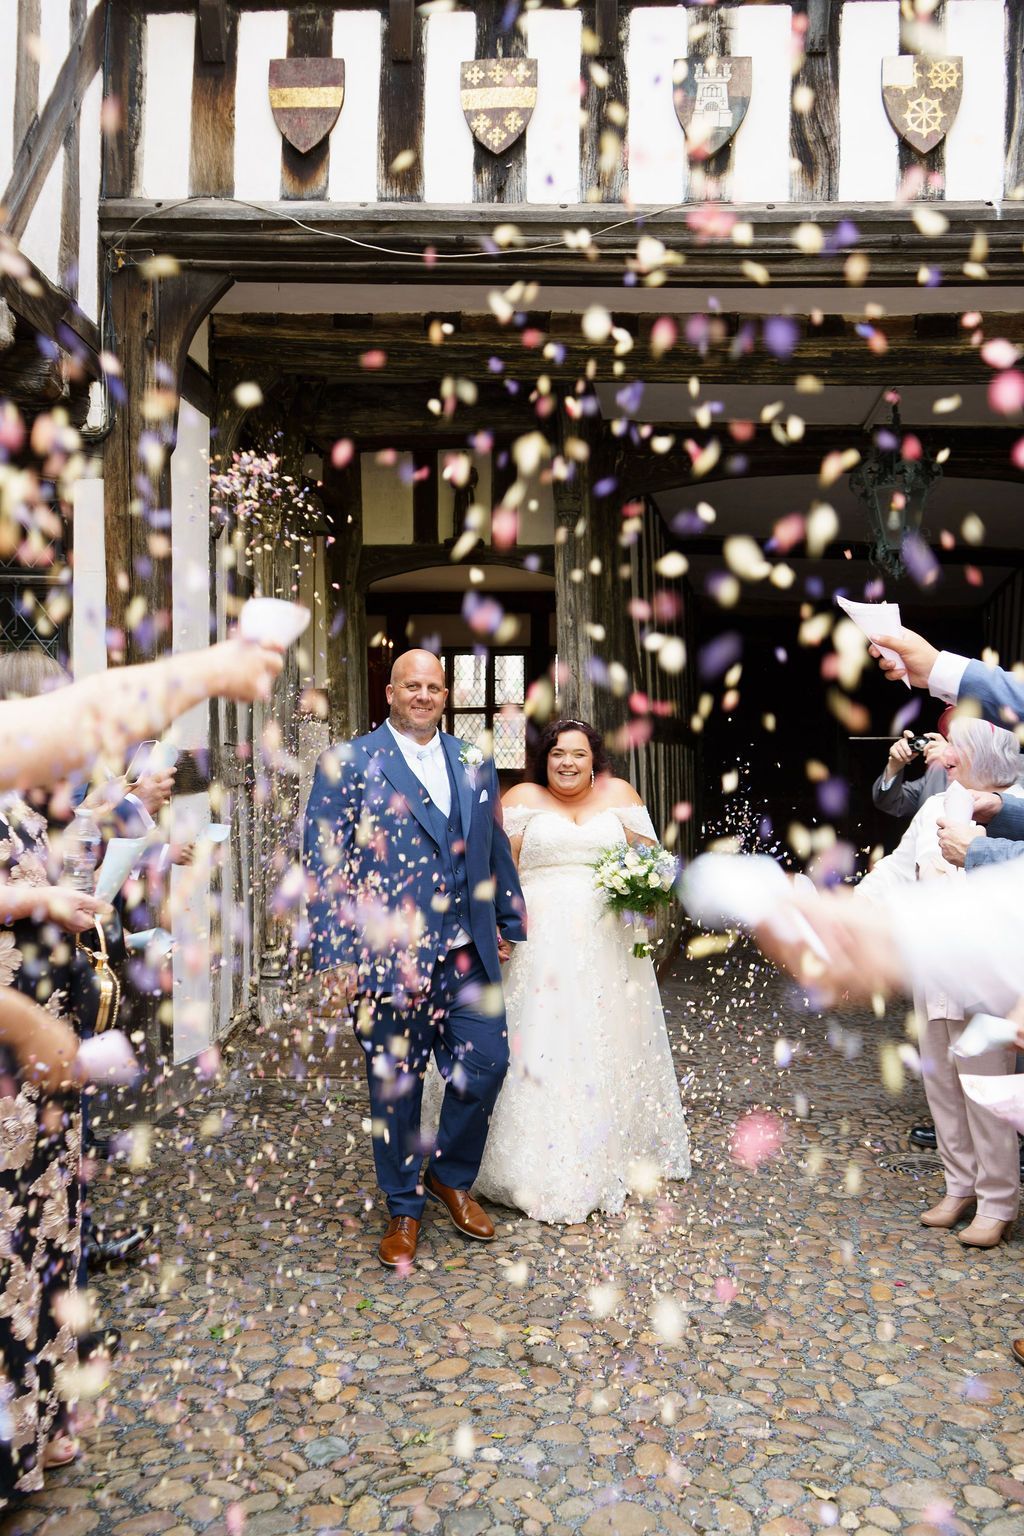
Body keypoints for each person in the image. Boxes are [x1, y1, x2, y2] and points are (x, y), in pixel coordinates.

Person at [0, 634, 283, 1510]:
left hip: (41, 1066)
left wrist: (43, 896)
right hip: (16, 1056)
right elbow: (89, 719)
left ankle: (32, 1433)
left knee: (41, 1244)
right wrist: (206, 670)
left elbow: (60, 851)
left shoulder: (16, 803)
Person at [303, 649, 526, 1269]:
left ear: (445, 693)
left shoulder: (474, 761)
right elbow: (324, 866)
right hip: (385, 956)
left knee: (488, 1062)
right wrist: (335, 953)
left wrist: (505, 920)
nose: (423, 695)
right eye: (412, 686)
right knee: (395, 1087)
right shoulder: (348, 762)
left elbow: (491, 847)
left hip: (464, 953)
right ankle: (403, 1204)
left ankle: (448, 1174)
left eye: (433, 686)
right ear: (391, 693)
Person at [427, 719, 690, 1226]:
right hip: (538, 944)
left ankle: (606, 1152)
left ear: (595, 760)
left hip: (604, 946)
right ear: (543, 759)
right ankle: (516, 1160)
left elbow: (654, 865)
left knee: (601, 1040)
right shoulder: (523, 796)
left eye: (577, 754)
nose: (566, 763)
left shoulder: (620, 795)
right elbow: (500, 867)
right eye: (556, 755)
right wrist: (496, 928)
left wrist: (645, 889)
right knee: (539, 1041)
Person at [855, 717, 1023, 1248]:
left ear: (984, 751)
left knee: (985, 1087)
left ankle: (998, 1201)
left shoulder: (1015, 810)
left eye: (955, 744)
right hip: (937, 964)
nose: (943, 753)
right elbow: (902, 868)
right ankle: (959, 1186)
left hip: (992, 973)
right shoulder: (934, 806)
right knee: (943, 1083)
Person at [872, 717, 950, 821]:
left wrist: (955, 758)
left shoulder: (979, 777)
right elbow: (889, 802)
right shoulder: (937, 773)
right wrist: (895, 765)